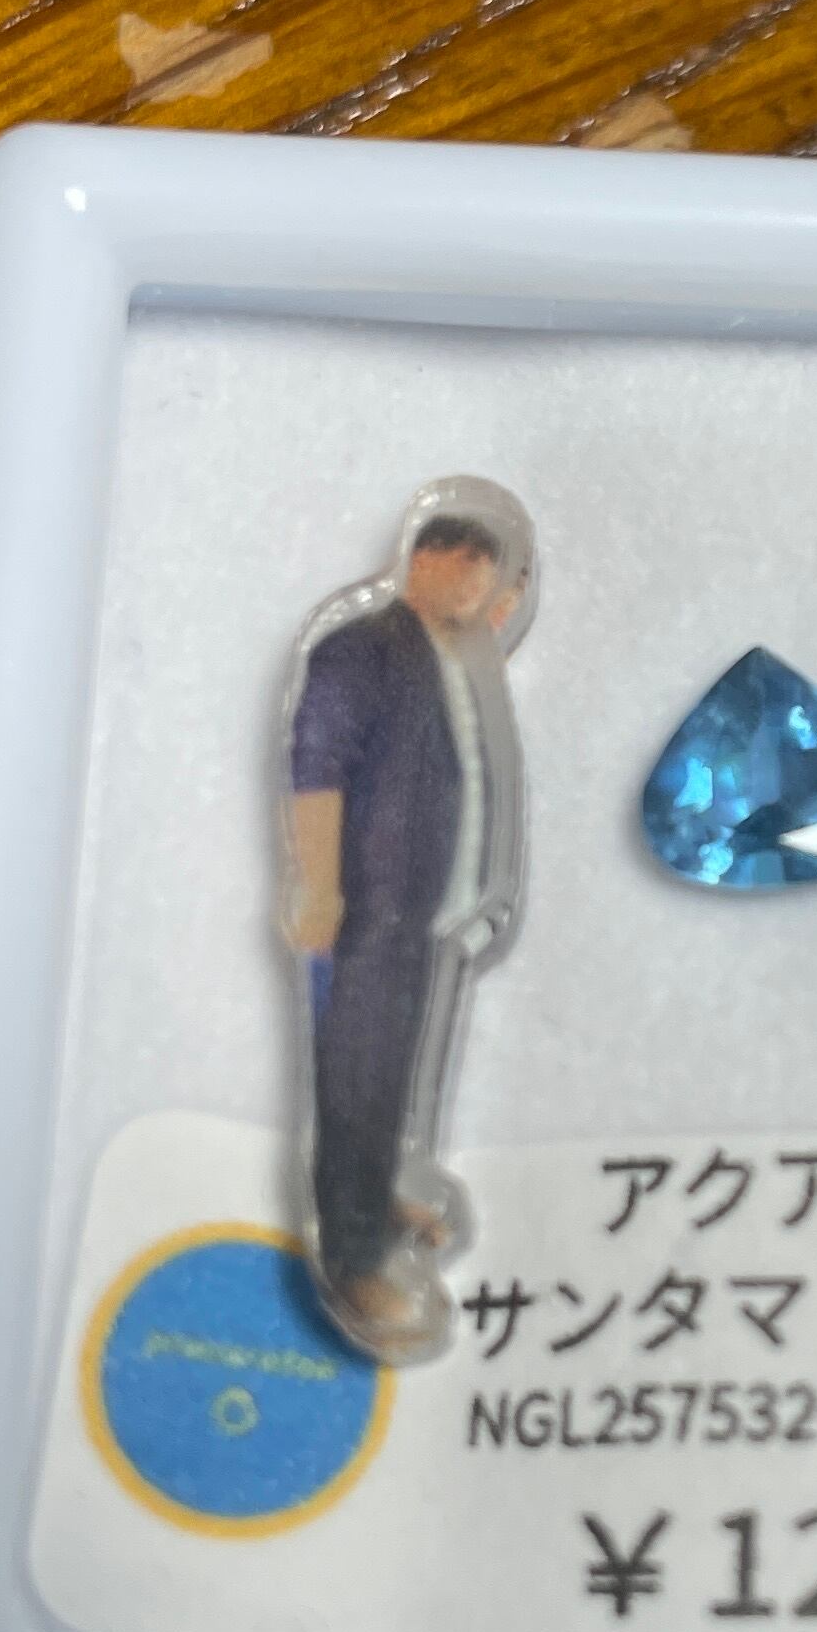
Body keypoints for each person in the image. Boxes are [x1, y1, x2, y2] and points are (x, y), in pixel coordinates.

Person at [280, 480, 534, 1360]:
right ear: (432, 559)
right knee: (355, 1073)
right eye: (474, 576)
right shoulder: (361, 650)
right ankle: (352, 1254)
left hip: (422, 909)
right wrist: (319, 888)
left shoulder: (442, 651)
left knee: (390, 1072)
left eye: (491, 587)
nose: (480, 598)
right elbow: (317, 766)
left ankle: (375, 1188)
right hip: (368, 908)